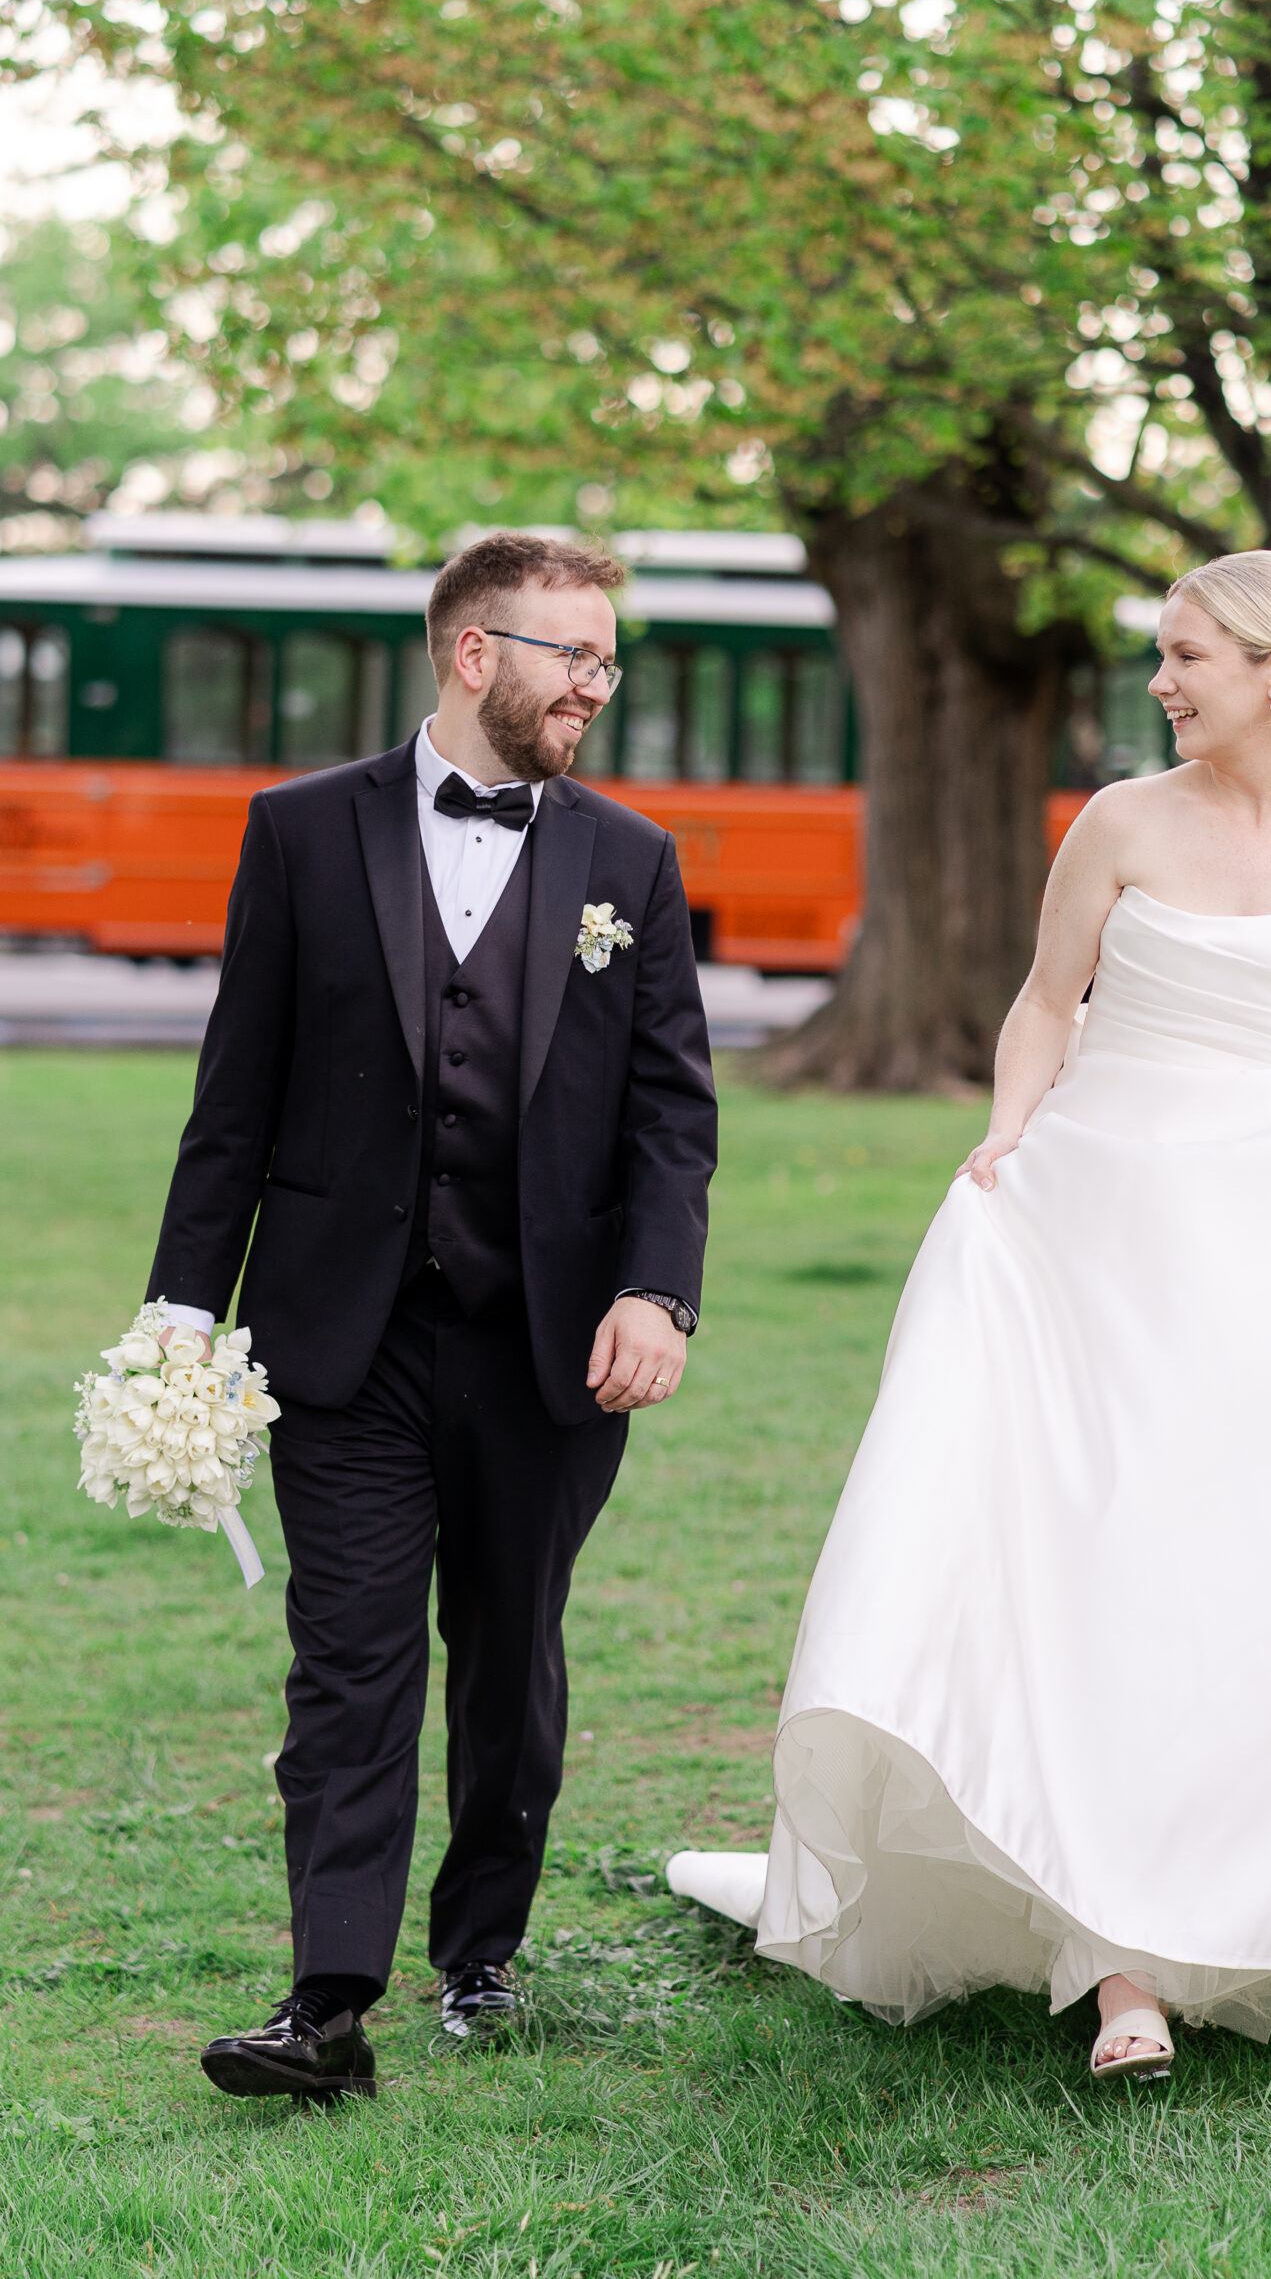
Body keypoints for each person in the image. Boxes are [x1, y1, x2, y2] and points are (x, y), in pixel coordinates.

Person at [668, 548, 1271, 2081]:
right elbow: (1046, 1005)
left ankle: (1251, 1894)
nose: (1160, 681)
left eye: (1188, 656)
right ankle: (1117, 1961)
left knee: (1246, 1581)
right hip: (1104, 1231)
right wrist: (1010, 1136)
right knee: (1095, 1565)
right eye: (1161, 654)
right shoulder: (1121, 825)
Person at [148, 530, 717, 2101]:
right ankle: (326, 2006)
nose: (598, 686)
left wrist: (657, 1290)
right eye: (575, 656)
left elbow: (673, 1113)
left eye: (610, 660)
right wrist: (181, 1314)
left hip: (548, 1348)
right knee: (347, 1661)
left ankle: (481, 1952)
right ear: (479, 654)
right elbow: (234, 1098)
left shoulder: (632, 863)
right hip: (344, 1340)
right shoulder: (302, 833)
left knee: (509, 1657)